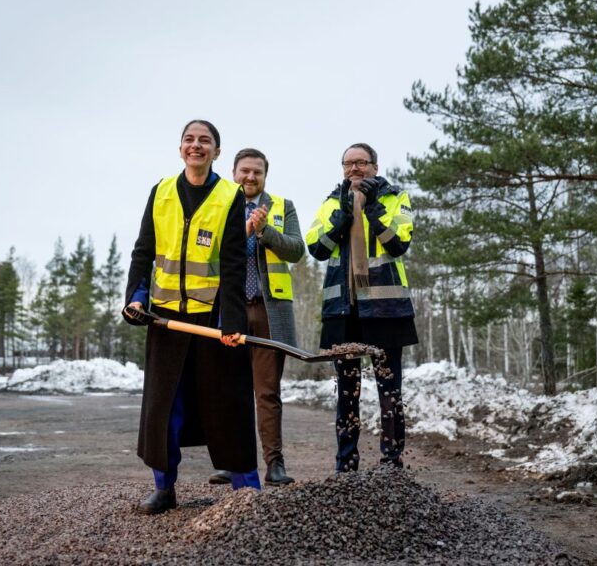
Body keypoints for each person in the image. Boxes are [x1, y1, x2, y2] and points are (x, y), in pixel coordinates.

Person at [123, 120, 260, 515]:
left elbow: (235, 263)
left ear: (217, 152)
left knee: (229, 403)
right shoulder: (161, 191)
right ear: (180, 148)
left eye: (205, 141)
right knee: (164, 408)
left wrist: (232, 323)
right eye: (189, 140)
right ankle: (164, 489)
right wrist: (136, 297)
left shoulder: (229, 195)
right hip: (165, 320)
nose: (196, 146)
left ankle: (245, 491)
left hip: (213, 318)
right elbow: (143, 251)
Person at [305, 142, 417, 472]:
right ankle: (346, 464)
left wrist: (372, 210)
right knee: (347, 392)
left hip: (386, 309)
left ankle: (391, 463)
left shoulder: (396, 198)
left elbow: (398, 243)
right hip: (343, 312)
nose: (355, 169)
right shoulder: (331, 202)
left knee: (389, 389)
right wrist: (342, 214)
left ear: (375, 168)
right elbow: (317, 248)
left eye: (362, 163)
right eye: (348, 164)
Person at [209, 148, 304, 487]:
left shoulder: (282, 206)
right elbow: (208, 258)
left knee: (266, 391)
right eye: (244, 171)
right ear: (233, 173)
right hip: (228, 309)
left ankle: (274, 464)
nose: (250, 177)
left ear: (265, 175)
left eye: (257, 172)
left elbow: (296, 250)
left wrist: (265, 231)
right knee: (228, 390)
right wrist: (245, 230)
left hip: (268, 310)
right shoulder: (218, 205)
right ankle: (230, 461)